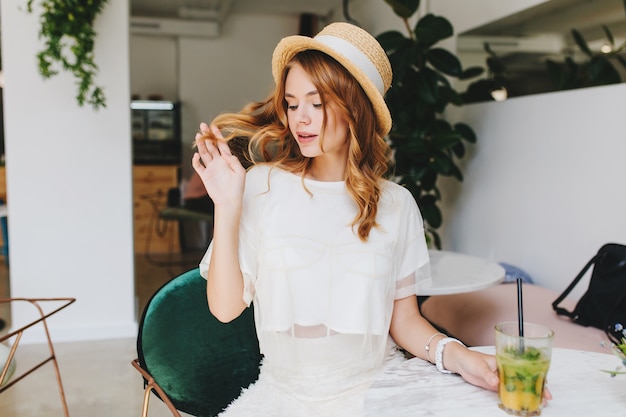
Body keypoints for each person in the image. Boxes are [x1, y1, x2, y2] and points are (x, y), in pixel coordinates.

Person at [191, 22, 519, 416]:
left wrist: (462, 357)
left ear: (354, 107)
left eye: (318, 102)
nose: (301, 119)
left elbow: (405, 322)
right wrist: (226, 206)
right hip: (285, 398)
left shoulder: (397, 204)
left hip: (378, 392)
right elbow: (225, 309)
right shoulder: (261, 186)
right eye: (293, 104)